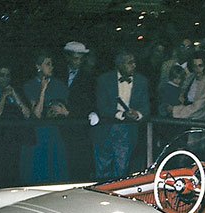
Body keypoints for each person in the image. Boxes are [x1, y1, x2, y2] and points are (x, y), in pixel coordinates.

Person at [94, 50, 150, 180]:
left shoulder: (142, 81)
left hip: (127, 130)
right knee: (102, 168)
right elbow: (101, 107)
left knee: (122, 169)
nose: (134, 65)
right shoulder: (104, 80)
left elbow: (146, 107)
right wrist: (121, 114)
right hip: (106, 128)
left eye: (134, 62)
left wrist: (138, 115)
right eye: (130, 63)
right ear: (119, 64)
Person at [21, 51, 69, 183]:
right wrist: (42, 90)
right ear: (38, 66)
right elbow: (36, 114)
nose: (51, 67)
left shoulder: (59, 85)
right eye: (47, 64)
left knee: (57, 170)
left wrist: (63, 112)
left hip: (55, 133)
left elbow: (67, 110)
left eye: (52, 64)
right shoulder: (29, 86)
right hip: (37, 135)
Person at [59, 41, 96, 181]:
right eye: (75, 58)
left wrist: (69, 113)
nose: (78, 62)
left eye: (81, 58)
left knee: (78, 168)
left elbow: (88, 105)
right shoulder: (58, 74)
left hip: (78, 130)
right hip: (59, 129)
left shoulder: (88, 78)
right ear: (67, 57)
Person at [169, 52, 205, 121]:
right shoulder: (190, 77)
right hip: (182, 117)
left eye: (200, 66)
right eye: (194, 66)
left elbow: (199, 107)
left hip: (198, 120)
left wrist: (174, 110)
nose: (197, 69)